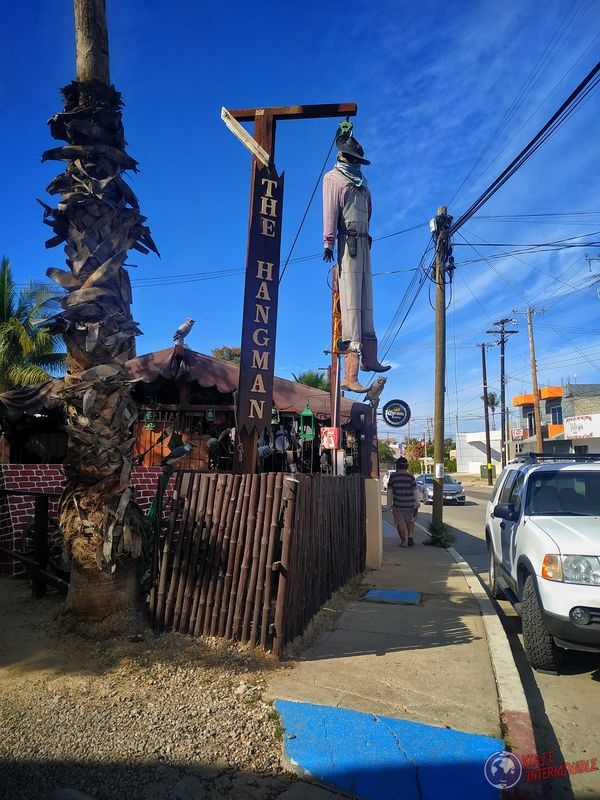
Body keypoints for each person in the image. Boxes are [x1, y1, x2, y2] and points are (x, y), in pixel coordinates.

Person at [322, 121, 390, 393]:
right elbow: (329, 211)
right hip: (347, 242)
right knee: (350, 304)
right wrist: (328, 242)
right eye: (354, 159)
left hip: (364, 242)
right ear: (344, 156)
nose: (357, 164)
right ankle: (349, 373)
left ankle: (369, 358)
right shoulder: (333, 178)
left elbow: (370, 210)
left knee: (367, 302)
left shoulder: (362, 181)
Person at [388, 456, 419, 547]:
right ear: (407, 466)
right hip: (410, 505)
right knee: (410, 521)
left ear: (397, 466)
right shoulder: (411, 476)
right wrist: (417, 504)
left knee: (400, 523)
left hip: (398, 505)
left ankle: (404, 542)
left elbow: (389, 493)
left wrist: (389, 505)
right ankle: (410, 535)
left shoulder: (393, 477)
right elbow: (415, 491)